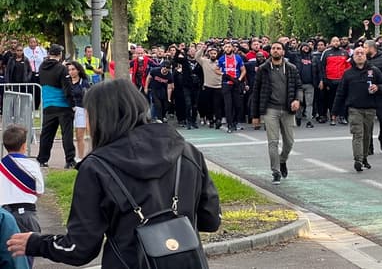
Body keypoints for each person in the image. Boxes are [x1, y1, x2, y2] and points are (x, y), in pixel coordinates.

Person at [6, 79, 221, 267]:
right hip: (185, 262)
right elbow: (211, 220)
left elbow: (80, 248)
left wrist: (36, 243)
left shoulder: (97, 167)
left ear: (101, 117)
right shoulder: (187, 152)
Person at [251, 42, 302, 185]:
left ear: (283, 52)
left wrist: (297, 100)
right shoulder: (263, 69)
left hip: (287, 109)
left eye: (278, 48)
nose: (276, 50)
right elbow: (256, 93)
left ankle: (282, 160)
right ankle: (275, 171)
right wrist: (255, 115)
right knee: (273, 142)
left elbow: (298, 86)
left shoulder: (291, 68)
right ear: (270, 52)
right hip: (270, 109)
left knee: (289, 142)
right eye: (273, 48)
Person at [333, 47, 382, 172]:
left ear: (366, 56)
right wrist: (335, 111)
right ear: (353, 57)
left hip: (370, 109)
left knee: (367, 135)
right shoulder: (348, 73)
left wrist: (378, 88)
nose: (360, 55)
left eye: (362, 53)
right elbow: (340, 93)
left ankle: (364, 157)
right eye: (357, 53)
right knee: (358, 134)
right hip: (354, 109)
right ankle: (358, 160)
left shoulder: (374, 71)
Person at [1, 125, 42, 269]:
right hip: (27, 214)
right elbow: (40, 191)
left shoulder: (1, 166)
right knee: (28, 252)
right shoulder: (32, 165)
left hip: (4, 216)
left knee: (6, 255)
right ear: (24, 146)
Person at [36, 45, 76, 169]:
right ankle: (69, 160)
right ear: (59, 54)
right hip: (63, 105)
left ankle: (42, 159)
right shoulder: (61, 69)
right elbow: (67, 89)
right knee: (67, 134)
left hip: (48, 105)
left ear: (49, 54)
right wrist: (72, 104)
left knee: (47, 134)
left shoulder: (42, 66)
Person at [318, 37, 350, 125]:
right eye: (334, 41)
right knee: (331, 100)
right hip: (330, 80)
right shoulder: (326, 53)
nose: (336, 42)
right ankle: (333, 117)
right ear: (331, 43)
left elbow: (348, 66)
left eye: (337, 41)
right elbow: (322, 67)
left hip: (342, 80)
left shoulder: (344, 52)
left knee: (343, 99)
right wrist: (324, 80)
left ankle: (343, 116)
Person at [216, 43, 246, 134]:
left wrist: (239, 79)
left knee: (238, 105)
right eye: (225, 47)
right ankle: (230, 124)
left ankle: (235, 121)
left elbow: (243, 70)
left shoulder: (238, 58)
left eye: (229, 47)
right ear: (224, 49)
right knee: (228, 105)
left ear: (232, 48)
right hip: (226, 84)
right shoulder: (221, 58)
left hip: (236, 83)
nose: (227, 48)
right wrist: (223, 74)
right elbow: (216, 69)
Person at [65, 61, 92, 160]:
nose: (71, 72)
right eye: (69, 70)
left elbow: (87, 97)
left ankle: (80, 157)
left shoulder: (84, 82)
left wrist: (87, 113)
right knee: (70, 135)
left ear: (78, 70)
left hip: (81, 110)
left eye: (73, 69)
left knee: (80, 135)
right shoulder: (66, 82)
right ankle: (71, 156)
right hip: (69, 110)